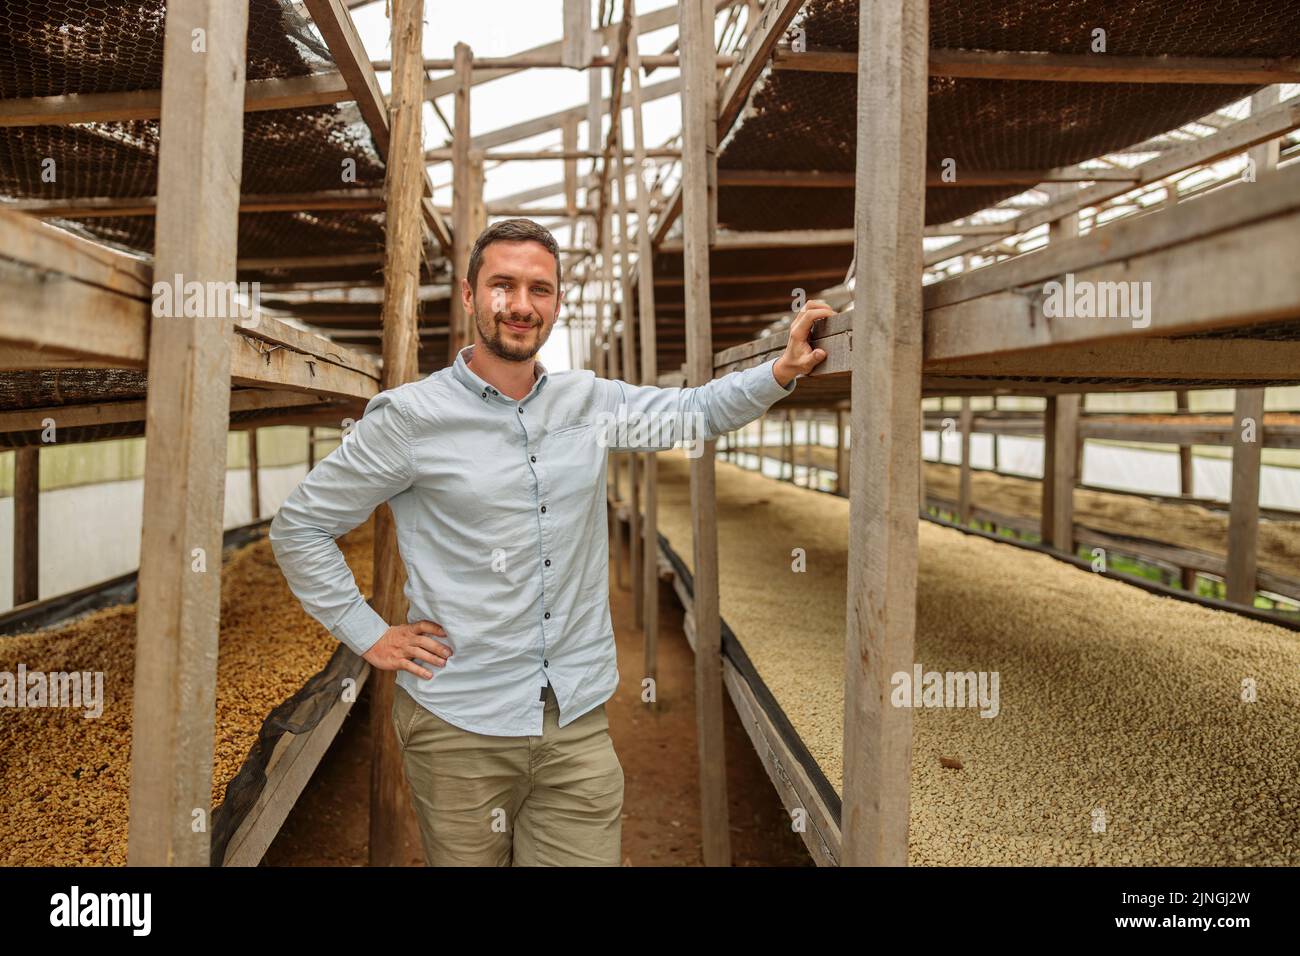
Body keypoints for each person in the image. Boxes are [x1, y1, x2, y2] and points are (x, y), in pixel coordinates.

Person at [269, 217, 830, 866]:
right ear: (470, 296)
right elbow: (301, 525)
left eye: (539, 289)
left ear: (557, 303)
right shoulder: (411, 419)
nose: (520, 304)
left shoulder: (587, 401)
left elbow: (692, 412)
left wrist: (781, 370)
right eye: (502, 285)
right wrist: (367, 633)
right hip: (460, 724)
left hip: (575, 719)